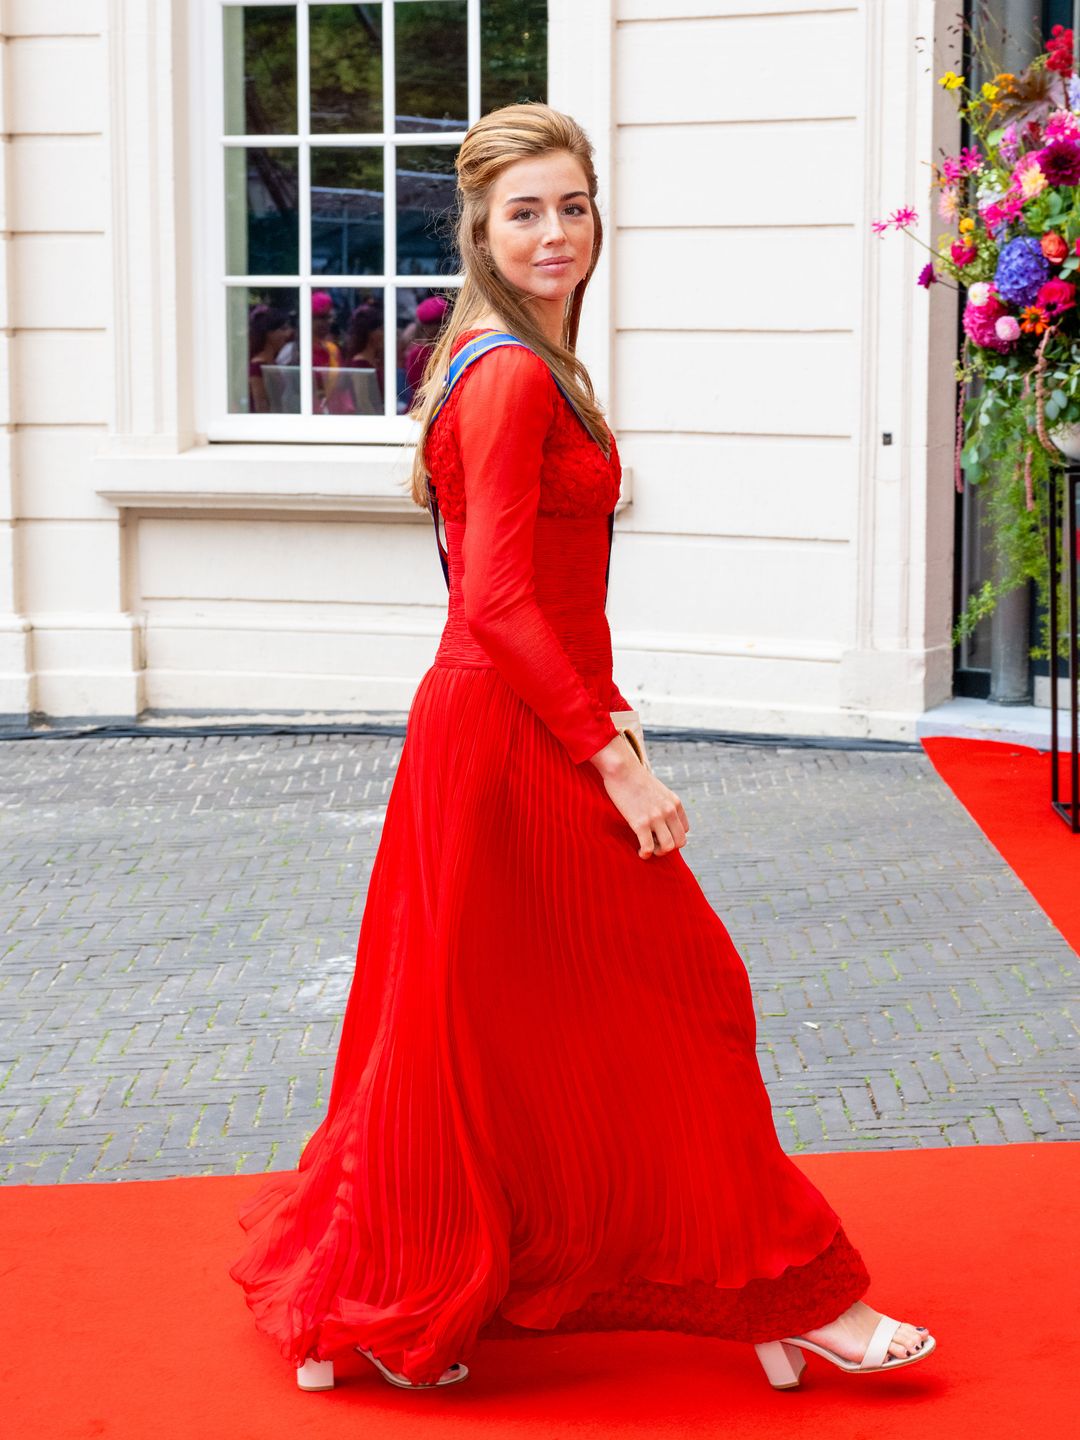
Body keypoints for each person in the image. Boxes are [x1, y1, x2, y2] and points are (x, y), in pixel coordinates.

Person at [229, 102, 936, 1395]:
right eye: (526, 212)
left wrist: (602, 718)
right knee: (690, 1000)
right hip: (512, 734)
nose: (556, 233)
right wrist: (616, 759)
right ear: (482, 231)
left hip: (514, 721)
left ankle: (417, 1287)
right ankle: (792, 1296)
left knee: (477, 1026)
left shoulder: (524, 363)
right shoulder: (505, 373)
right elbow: (495, 600)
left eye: (572, 205)